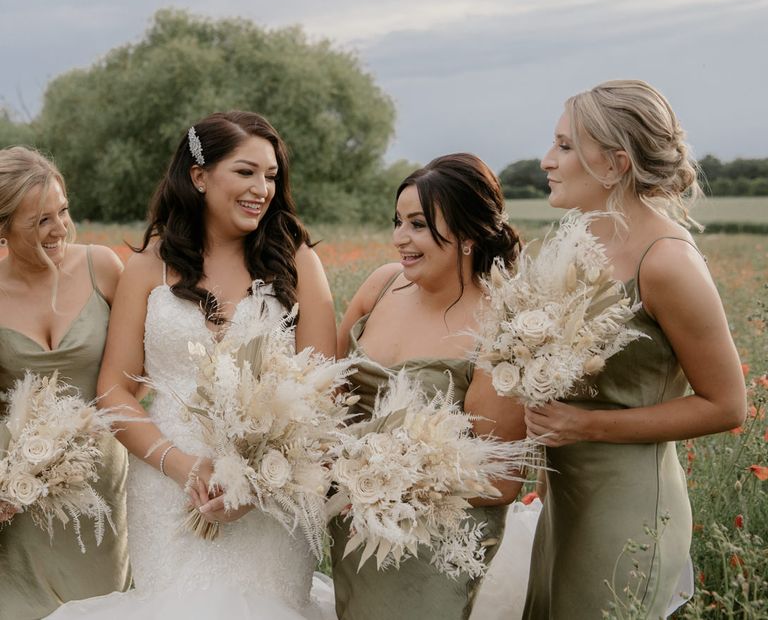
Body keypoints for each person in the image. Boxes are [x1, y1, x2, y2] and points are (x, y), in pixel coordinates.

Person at [48, 112, 337, 620]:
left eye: (271, 176)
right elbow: (113, 390)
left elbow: (323, 390)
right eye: (246, 172)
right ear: (199, 176)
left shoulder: (297, 260)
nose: (262, 188)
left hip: (273, 490)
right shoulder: (147, 267)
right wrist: (183, 467)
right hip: (167, 488)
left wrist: (255, 482)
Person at [522, 80, 746, 619]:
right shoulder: (579, 237)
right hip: (562, 498)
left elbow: (727, 405)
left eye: (566, 146)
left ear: (616, 162)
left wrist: (587, 426)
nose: (547, 160)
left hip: (625, 508)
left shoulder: (666, 262)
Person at [330, 153, 532, 620]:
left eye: (418, 224)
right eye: (398, 221)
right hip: (352, 526)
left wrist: (387, 480)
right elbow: (329, 390)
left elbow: (499, 479)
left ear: (467, 234)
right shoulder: (380, 285)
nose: (401, 238)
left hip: (433, 542)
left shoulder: (501, 322)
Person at [0, 146, 129, 620]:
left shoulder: (103, 267)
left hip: (100, 485)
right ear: (3, 227)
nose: (60, 230)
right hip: (20, 491)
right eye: (40, 221)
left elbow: (144, 366)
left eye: (64, 212)